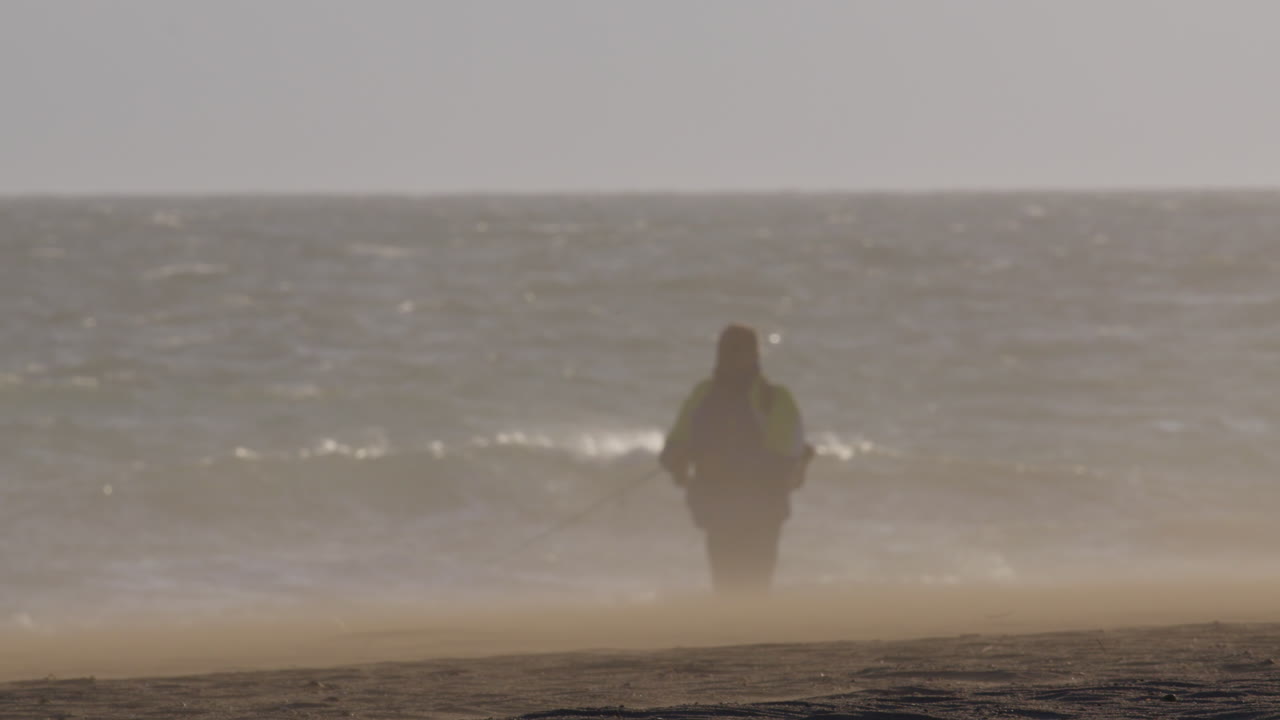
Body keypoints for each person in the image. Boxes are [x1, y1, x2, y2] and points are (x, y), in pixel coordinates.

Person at [659, 324, 813, 594]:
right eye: (726, 350)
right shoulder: (703, 394)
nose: (730, 357)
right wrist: (676, 458)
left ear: (754, 354)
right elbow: (675, 443)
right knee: (725, 584)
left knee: (756, 585)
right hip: (717, 509)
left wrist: (724, 463)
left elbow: (785, 459)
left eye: (738, 351)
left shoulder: (774, 399)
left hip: (762, 510)